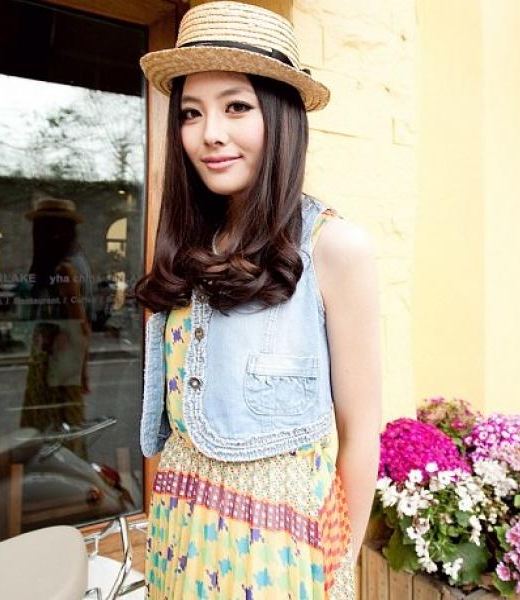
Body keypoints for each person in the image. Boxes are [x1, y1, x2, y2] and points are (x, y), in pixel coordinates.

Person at [134, 2, 382, 598]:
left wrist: (338, 566)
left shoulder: (333, 247)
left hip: (279, 553)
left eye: (236, 106)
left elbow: (361, 429)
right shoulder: (188, 248)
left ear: (280, 115)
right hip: (179, 533)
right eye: (191, 112)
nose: (210, 133)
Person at [20, 197, 93, 459]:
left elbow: (79, 321)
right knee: (58, 427)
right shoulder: (72, 261)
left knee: (53, 429)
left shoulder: (65, 268)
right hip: (58, 356)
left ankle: (63, 475)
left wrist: (82, 370)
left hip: (57, 357)